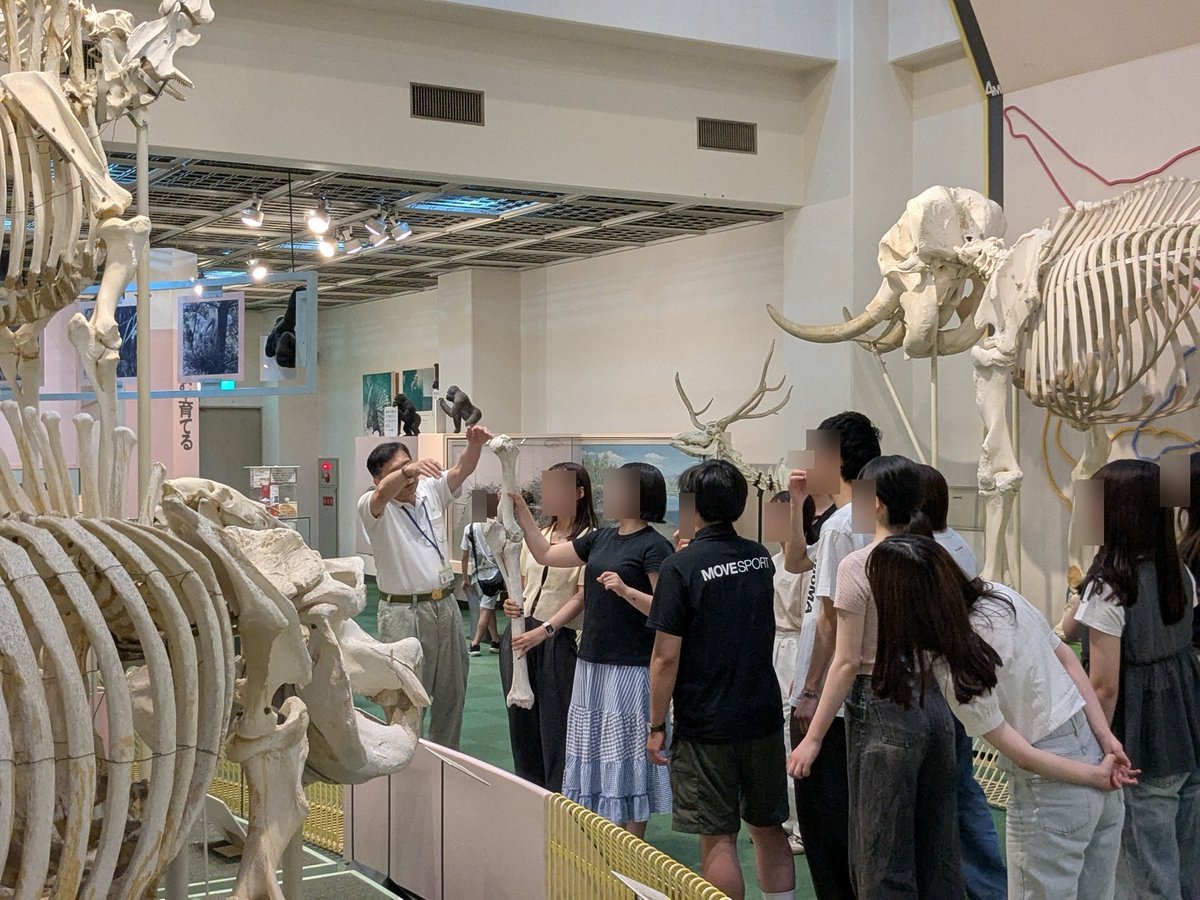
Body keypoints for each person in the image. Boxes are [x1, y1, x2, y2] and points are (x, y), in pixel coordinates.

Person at [867, 534, 1134, 899]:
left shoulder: (955, 666)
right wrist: (1106, 741)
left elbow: (1023, 753)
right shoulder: (1001, 596)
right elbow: (1068, 660)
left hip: (1055, 784)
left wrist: (1096, 772)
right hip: (1090, 748)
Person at [790, 455, 962, 898]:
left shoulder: (859, 565)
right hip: (936, 707)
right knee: (937, 845)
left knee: (879, 854)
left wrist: (812, 738)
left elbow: (846, 661)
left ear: (879, 503)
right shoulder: (938, 560)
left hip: (880, 708)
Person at [646, 460, 795, 900]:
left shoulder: (681, 567)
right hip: (762, 713)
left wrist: (657, 726)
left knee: (718, 836)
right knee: (768, 828)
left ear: (692, 506)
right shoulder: (760, 557)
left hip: (706, 721)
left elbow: (665, 657)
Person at [510, 461, 673, 835]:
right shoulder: (601, 539)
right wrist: (522, 513)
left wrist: (626, 591)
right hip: (592, 662)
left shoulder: (654, 546)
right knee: (594, 750)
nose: (610, 494)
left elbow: (666, 611)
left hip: (630, 667)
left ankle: (632, 845)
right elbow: (545, 554)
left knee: (628, 755)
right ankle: (603, 834)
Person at [1075, 459, 1200, 899]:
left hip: (1139, 741)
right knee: (1186, 863)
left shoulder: (1110, 587)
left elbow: (1104, 684)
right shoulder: (1178, 573)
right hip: (1186, 731)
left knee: (1146, 871)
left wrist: (1095, 747)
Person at [357, 425, 493, 750]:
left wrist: (474, 445)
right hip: (403, 613)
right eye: (398, 472)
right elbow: (380, 495)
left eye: (411, 466)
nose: (410, 478)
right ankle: (404, 762)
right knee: (404, 698)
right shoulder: (372, 505)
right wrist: (408, 470)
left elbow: (461, 470)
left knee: (451, 692)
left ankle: (447, 758)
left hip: (444, 607)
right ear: (379, 479)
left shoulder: (429, 491)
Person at [791, 410, 881, 900]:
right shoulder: (874, 510)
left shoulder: (843, 525)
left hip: (837, 696)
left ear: (835, 456)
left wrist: (809, 691)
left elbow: (829, 620)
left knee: (830, 829)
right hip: (870, 690)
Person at [916, 464, 1007, 900]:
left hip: (942, 685)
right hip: (951, 684)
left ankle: (984, 885)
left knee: (958, 790)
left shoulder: (934, 551)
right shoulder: (956, 544)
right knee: (959, 787)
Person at [499, 462, 598, 791]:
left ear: (579, 493)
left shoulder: (589, 541)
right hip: (519, 633)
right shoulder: (537, 535)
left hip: (558, 638)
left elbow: (581, 597)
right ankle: (529, 791)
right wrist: (511, 604)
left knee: (555, 725)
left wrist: (546, 631)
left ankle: (560, 800)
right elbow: (523, 584)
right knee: (521, 720)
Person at [767, 487, 815, 855]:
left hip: (797, 648)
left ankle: (802, 825)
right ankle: (785, 816)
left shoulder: (806, 563)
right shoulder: (773, 559)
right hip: (775, 647)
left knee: (791, 734)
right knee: (777, 734)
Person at [462, 495, 503, 656]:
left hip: (477, 575)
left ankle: (475, 643)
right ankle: (492, 641)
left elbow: (464, 556)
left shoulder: (469, 528)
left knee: (486, 608)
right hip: (495, 574)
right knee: (488, 607)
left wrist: (465, 578)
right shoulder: (497, 527)